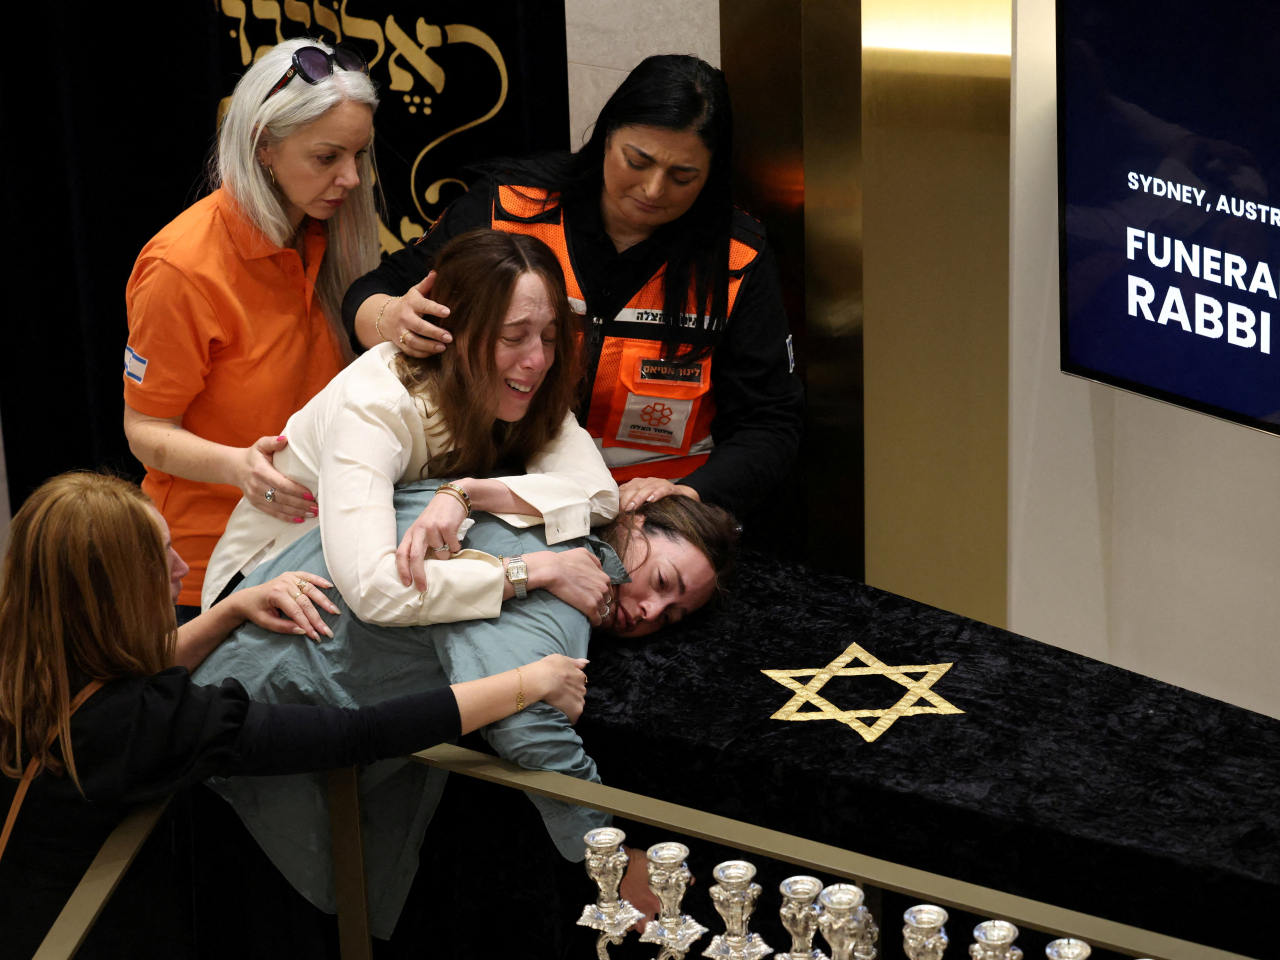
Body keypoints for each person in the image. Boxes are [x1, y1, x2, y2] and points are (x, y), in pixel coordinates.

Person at [0, 472, 589, 958]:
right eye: (160, 561)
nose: (182, 570)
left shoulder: (30, 653)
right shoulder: (148, 723)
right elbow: (357, 734)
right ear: (112, 594)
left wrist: (230, 608)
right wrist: (522, 683)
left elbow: (115, 674)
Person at [195, 481, 740, 940]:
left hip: (216, 679)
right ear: (634, 518)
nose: (648, 610)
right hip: (244, 758)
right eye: (662, 583)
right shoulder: (570, 585)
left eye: (669, 617)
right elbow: (525, 725)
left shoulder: (532, 491)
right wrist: (609, 857)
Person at [341, 54, 805, 521]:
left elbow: (770, 424)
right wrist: (389, 318)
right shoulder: (509, 209)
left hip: (654, 512)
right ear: (606, 137)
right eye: (637, 161)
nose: (653, 189)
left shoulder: (737, 257)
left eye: (683, 176)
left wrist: (692, 494)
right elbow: (374, 290)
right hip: (494, 494)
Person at [202, 229, 619, 629]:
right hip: (262, 589)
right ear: (451, 332)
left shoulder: (528, 387)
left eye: (548, 338)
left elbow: (599, 496)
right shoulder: (376, 401)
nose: (537, 361)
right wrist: (534, 571)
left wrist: (469, 493)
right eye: (513, 338)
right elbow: (374, 590)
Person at [123, 38, 383, 621]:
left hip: (314, 550)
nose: (352, 178)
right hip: (202, 572)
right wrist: (239, 466)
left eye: (359, 156)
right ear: (263, 145)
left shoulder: (326, 237)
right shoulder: (182, 267)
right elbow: (144, 428)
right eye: (327, 157)